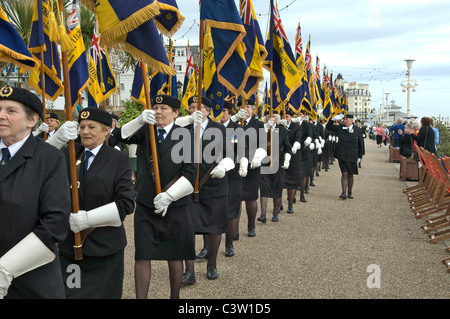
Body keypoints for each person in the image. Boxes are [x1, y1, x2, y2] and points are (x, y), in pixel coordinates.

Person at [115, 95, 198, 299]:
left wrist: (169, 196)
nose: (158, 111)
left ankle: (175, 296)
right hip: (146, 203)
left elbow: (190, 172)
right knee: (142, 255)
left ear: (176, 113)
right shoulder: (146, 130)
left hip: (176, 204)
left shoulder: (185, 135)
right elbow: (120, 135)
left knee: (174, 255)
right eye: (156, 107)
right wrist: (140, 120)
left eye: (164, 108)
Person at [0, 85, 71, 299]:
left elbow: (55, 223)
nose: (1, 116)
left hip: (32, 281)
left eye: (11, 111)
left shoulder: (49, 159)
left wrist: (5, 269)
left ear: (32, 121)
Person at [58, 107, 135, 299]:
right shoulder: (68, 153)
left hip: (104, 248)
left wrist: (88, 219)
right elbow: (39, 164)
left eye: (92, 127)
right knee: (70, 293)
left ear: (107, 130)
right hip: (69, 248)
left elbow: (126, 203)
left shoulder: (118, 159)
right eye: (82, 127)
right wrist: (56, 139)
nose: (85, 131)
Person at [231, 98, 266, 237]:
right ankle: (234, 230)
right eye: (242, 106)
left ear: (252, 109)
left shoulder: (258, 124)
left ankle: (251, 226)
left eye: (248, 107)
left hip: (252, 166)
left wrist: (257, 157)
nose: (245, 109)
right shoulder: (233, 123)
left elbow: (262, 144)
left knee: (251, 198)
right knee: (235, 199)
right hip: (236, 165)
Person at [220, 100, 248, 257]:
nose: (222, 113)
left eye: (224, 110)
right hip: (214, 174)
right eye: (220, 110)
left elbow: (241, 148)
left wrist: (242, 161)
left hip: (232, 174)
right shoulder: (212, 128)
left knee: (232, 210)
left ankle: (229, 243)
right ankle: (206, 247)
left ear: (230, 112)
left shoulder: (237, 129)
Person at [258, 109, 291, 222]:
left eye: (272, 116)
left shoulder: (282, 130)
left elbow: (287, 146)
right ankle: (263, 214)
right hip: (264, 161)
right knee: (264, 188)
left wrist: (287, 159)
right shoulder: (262, 129)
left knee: (277, 188)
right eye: (267, 116)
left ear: (277, 118)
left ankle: (275, 213)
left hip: (278, 161)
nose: (270, 118)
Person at [326, 113, 363, 199]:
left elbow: (361, 143)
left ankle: (350, 192)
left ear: (351, 120)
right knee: (344, 173)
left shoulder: (358, 130)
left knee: (350, 174)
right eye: (344, 119)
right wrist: (333, 119)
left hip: (353, 155)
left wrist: (360, 156)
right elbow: (328, 127)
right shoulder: (340, 128)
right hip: (342, 154)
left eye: (346, 120)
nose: (344, 121)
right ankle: (343, 192)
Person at [291, 110, 313, 202]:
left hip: (304, 151)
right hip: (294, 151)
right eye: (297, 114)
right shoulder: (292, 125)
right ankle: (293, 196)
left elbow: (310, 135)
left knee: (303, 174)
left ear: (304, 116)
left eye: (300, 114)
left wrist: (308, 140)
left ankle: (302, 194)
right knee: (294, 174)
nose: (298, 116)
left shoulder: (306, 125)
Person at [283, 109, 302, 213]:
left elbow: (298, 138)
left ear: (291, 117)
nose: (285, 119)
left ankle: (290, 204)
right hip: (281, 157)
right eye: (283, 116)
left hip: (293, 157)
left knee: (291, 182)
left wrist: (295, 146)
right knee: (279, 182)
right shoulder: (280, 126)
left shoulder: (296, 127)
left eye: (287, 116)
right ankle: (278, 204)